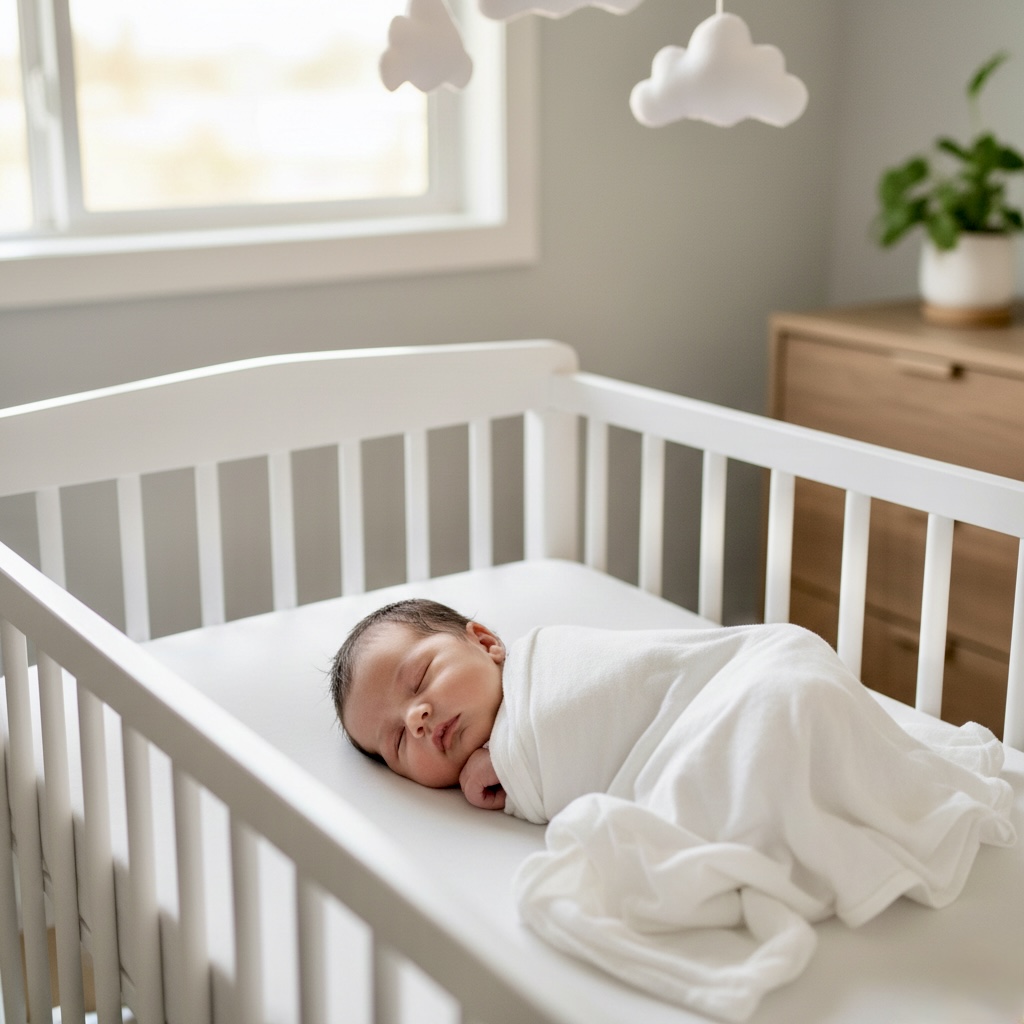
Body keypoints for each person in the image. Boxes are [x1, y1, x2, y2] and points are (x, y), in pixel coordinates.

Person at [330, 598, 509, 810]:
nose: (414, 719)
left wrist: (514, 759)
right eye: (398, 740)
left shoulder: (540, 662)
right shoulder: (509, 786)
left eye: (420, 679)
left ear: (484, 642)